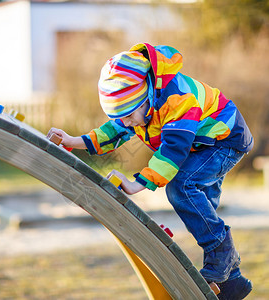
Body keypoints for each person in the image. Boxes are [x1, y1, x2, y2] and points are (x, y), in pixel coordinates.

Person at [48, 43, 253, 299]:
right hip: (203, 145)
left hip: (225, 139)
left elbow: (173, 150)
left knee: (181, 187)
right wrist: (73, 141)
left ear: (148, 98)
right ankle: (232, 283)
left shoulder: (178, 100)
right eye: (120, 117)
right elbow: (112, 132)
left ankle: (222, 255)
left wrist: (138, 184)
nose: (126, 122)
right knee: (202, 209)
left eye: (129, 115)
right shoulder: (137, 107)